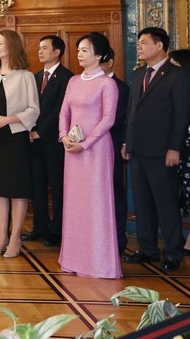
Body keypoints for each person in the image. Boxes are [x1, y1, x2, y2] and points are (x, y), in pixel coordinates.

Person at [123, 27, 190, 272]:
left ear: (160, 45)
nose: (139, 47)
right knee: (142, 203)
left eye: (143, 43)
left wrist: (174, 148)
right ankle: (148, 249)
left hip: (163, 152)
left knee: (165, 204)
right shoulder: (139, 73)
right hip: (138, 150)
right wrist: (127, 142)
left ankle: (173, 252)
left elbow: (182, 116)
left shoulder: (177, 76)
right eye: (138, 42)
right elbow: (132, 111)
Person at [58, 32, 121, 278]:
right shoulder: (73, 81)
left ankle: (99, 263)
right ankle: (73, 258)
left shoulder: (107, 83)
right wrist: (64, 136)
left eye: (85, 50)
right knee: (74, 204)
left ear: (99, 54)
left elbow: (108, 119)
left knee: (95, 204)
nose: (80, 54)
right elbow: (64, 112)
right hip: (71, 150)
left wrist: (85, 144)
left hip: (95, 151)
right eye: (79, 50)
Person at [0, 29, 39, 259]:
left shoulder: (25, 76)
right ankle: (2, 235)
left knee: (16, 190)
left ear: (12, 45)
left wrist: (8, 120)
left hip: (15, 138)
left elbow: (34, 110)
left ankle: (15, 238)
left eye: (0, 42)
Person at [24, 35, 73, 247]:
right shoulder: (34, 77)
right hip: (33, 142)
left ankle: (57, 230)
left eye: (45, 48)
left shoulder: (67, 77)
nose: (40, 51)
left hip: (54, 142)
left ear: (57, 52)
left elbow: (60, 110)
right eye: (39, 47)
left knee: (57, 186)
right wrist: (29, 129)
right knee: (37, 187)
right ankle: (39, 227)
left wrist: (40, 132)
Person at [167, 49, 190, 256]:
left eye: (174, 64)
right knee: (172, 192)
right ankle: (174, 236)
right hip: (169, 143)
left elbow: (187, 122)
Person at [101, 49, 131, 254]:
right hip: (87, 149)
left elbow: (116, 119)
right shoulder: (83, 84)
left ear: (110, 62)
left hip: (111, 146)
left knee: (114, 191)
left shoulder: (120, 87)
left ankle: (118, 239)